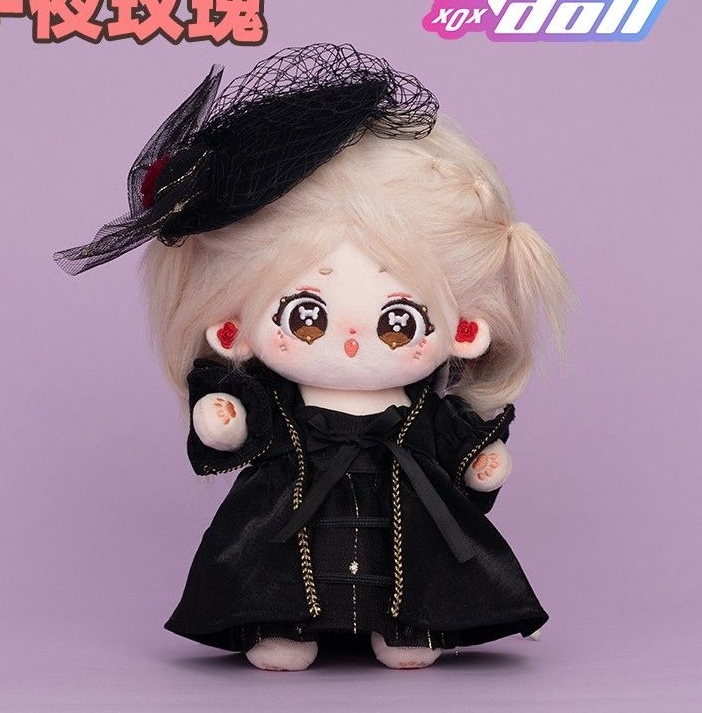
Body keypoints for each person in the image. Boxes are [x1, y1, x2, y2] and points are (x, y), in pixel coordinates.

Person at [55, 43, 571, 670]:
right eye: (306, 317)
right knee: (274, 568)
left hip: (404, 545)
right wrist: (225, 420)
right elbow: (236, 431)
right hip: (290, 535)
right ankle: (282, 623)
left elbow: (457, 439)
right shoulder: (278, 404)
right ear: (232, 329)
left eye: (398, 323)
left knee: (419, 566)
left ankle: (409, 625)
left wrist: (478, 460)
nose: (351, 340)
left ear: (465, 331)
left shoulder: (421, 415)